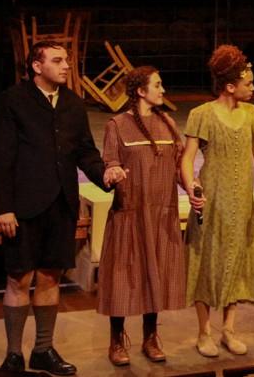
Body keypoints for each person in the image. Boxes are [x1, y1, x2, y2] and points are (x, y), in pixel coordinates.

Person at [0, 40, 112, 375]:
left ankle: (43, 350)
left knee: (50, 277)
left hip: (61, 203)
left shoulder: (72, 103)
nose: (66, 65)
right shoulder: (11, 102)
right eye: (58, 60)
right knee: (19, 278)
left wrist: (105, 174)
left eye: (67, 60)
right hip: (24, 206)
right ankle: (14, 355)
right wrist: (3, 207)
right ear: (37, 66)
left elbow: (84, 151)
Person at [181, 45, 254, 357]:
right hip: (212, 201)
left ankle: (229, 329)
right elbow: (186, 160)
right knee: (207, 263)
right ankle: (204, 332)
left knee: (237, 261)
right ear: (229, 86)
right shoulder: (202, 115)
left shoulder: (252, 114)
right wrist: (191, 187)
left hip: (241, 202)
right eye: (248, 83)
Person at [98, 66, 186, 366]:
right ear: (140, 91)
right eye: (158, 85)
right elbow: (110, 160)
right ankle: (117, 339)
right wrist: (112, 172)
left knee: (156, 273)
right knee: (123, 278)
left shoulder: (167, 124)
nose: (163, 90)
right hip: (130, 214)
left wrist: (194, 187)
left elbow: (178, 168)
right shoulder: (117, 124)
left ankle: (150, 336)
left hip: (161, 214)